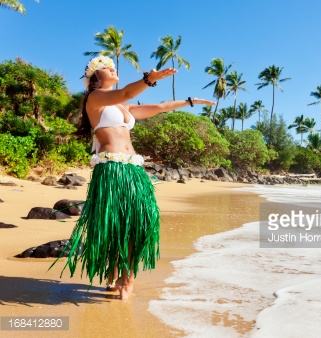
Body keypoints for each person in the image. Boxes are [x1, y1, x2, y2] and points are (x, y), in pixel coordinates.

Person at [57, 55, 215, 300]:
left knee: (138, 224)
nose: (112, 68)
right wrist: (149, 79)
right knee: (115, 225)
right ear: (96, 77)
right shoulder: (95, 98)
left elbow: (160, 107)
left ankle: (126, 275)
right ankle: (114, 270)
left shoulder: (123, 108)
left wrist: (190, 101)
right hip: (111, 170)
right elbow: (126, 93)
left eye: (112, 65)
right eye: (106, 67)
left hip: (133, 171)